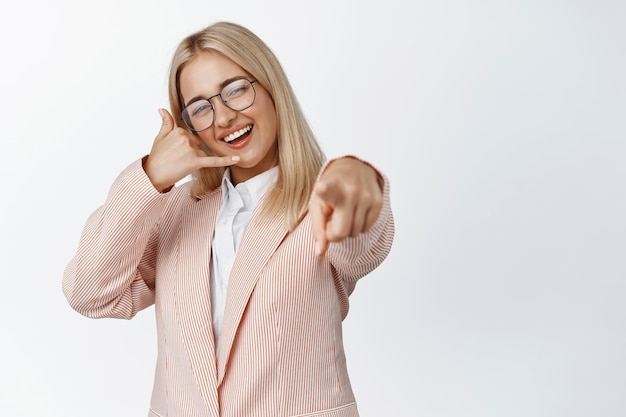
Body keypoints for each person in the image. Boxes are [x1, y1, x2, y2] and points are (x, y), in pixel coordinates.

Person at [63, 21, 394, 417]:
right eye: (201, 107)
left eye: (236, 89)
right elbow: (89, 293)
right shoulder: (176, 210)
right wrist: (150, 176)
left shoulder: (321, 200)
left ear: (272, 87)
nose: (223, 118)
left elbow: (362, 243)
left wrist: (359, 177)